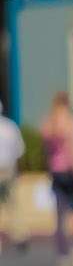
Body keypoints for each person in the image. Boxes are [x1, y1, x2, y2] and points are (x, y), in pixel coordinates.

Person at [41, 93, 73, 266]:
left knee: (60, 214)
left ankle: (63, 253)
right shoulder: (69, 124)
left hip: (55, 171)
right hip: (69, 171)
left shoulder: (48, 124)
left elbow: (46, 150)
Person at [0, 99, 22, 254]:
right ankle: (19, 235)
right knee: (13, 204)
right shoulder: (10, 127)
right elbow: (19, 151)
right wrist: (19, 170)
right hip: (9, 169)